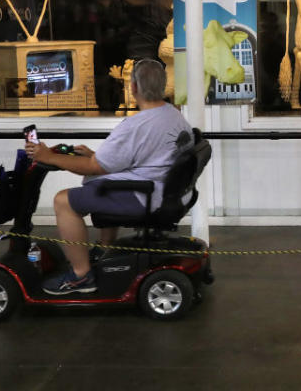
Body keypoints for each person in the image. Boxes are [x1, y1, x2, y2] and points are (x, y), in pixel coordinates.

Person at [26, 58, 192, 295]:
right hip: (166, 191)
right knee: (100, 181)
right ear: (163, 85)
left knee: (63, 200)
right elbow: (140, 156)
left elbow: (94, 167)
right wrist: (95, 157)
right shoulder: (174, 115)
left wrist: (48, 156)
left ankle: (81, 276)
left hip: (146, 196)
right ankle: (106, 249)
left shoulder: (135, 125)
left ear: (133, 87)